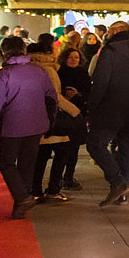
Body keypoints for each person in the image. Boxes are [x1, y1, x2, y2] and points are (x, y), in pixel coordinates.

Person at [0, 36, 57, 219]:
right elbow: (51, 98)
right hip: (37, 125)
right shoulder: (38, 71)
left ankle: (22, 198)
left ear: (3, 52)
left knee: (7, 164)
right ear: (24, 51)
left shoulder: (3, 75)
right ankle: (21, 203)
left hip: (12, 126)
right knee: (27, 164)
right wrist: (49, 122)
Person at [87, 21, 129, 208]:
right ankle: (122, 192)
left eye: (110, 31)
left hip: (110, 107)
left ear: (117, 31)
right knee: (127, 149)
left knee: (95, 144)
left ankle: (117, 182)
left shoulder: (110, 50)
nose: (107, 34)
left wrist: (92, 107)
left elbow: (101, 81)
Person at [26, 37, 81, 203]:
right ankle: (53, 189)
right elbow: (54, 96)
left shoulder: (28, 67)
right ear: (48, 52)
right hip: (51, 118)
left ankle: (36, 190)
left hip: (34, 117)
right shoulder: (48, 70)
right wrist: (74, 111)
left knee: (42, 155)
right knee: (62, 151)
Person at [56, 47, 91, 191]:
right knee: (61, 148)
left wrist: (78, 95)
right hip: (62, 114)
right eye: (70, 57)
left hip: (78, 114)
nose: (73, 60)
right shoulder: (59, 73)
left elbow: (89, 92)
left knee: (74, 148)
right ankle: (57, 178)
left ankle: (69, 177)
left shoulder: (83, 73)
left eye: (76, 57)